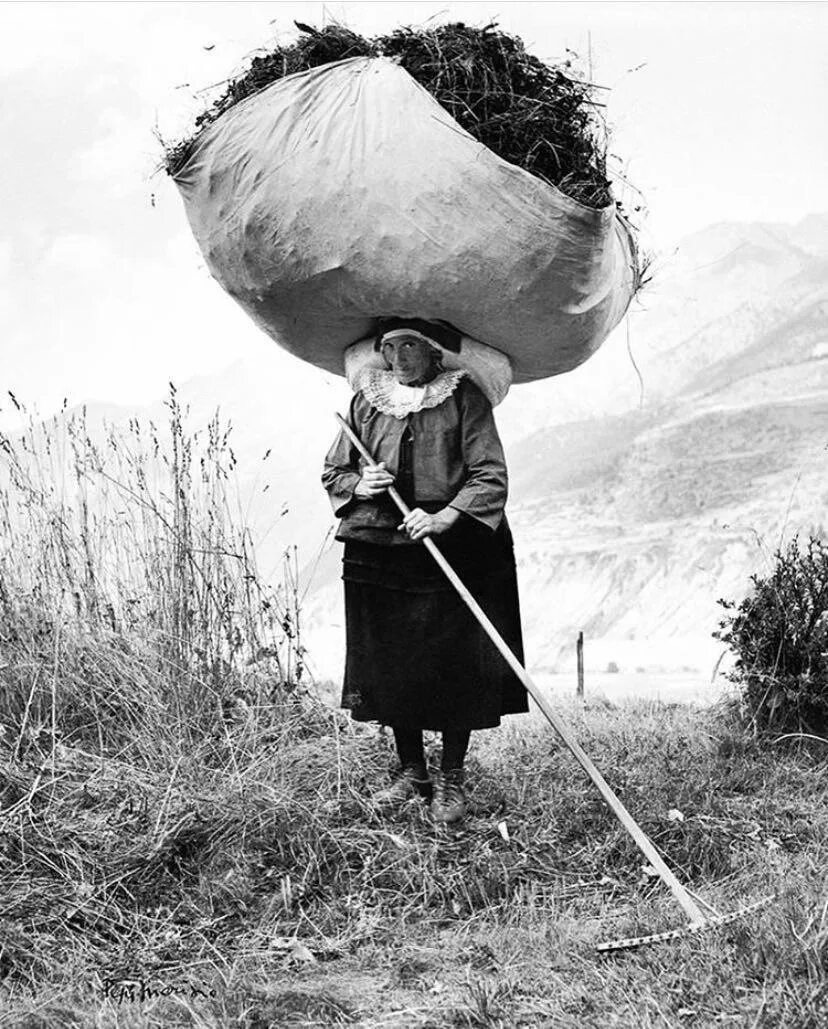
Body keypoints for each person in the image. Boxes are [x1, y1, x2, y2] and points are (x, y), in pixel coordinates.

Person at [322, 318, 528, 824]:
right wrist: (362, 485)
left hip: (456, 547)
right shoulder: (365, 403)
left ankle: (451, 777)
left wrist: (442, 517)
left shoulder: (464, 400)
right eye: (391, 347)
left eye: (411, 344)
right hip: (382, 548)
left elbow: (489, 476)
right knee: (393, 662)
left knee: (458, 663)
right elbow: (334, 470)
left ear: (434, 353)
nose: (400, 356)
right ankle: (411, 770)